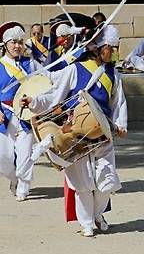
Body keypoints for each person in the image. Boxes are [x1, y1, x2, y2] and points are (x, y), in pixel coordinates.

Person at [23, 25, 128, 237]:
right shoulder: (74, 69)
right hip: (75, 135)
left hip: (103, 136)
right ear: (98, 48)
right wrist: (34, 101)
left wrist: (120, 124)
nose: (115, 52)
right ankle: (87, 222)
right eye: (111, 47)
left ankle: (97, 214)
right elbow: (54, 96)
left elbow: (119, 103)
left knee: (107, 182)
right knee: (83, 183)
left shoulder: (113, 76)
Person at [0, 22, 42, 201]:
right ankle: (14, 178)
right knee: (4, 157)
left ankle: (23, 187)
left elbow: (46, 78)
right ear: (6, 45)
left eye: (20, 42)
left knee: (25, 155)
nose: (17, 46)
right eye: (13, 42)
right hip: (5, 114)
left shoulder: (30, 63)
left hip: (25, 114)